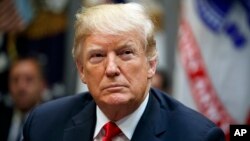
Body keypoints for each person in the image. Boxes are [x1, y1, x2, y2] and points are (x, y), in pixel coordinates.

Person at [22, 3, 225, 141]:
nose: (111, 69)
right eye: (98, 56)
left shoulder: (196, 136)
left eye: (126, 53)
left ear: (151, 65)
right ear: (81, 70)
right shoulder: (43, 125)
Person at [0, 57, 45, 141]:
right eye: (15, 80)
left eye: (29, 79)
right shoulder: (2, 118)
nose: (21, 87)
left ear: (42, 85)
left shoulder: (51, 121)